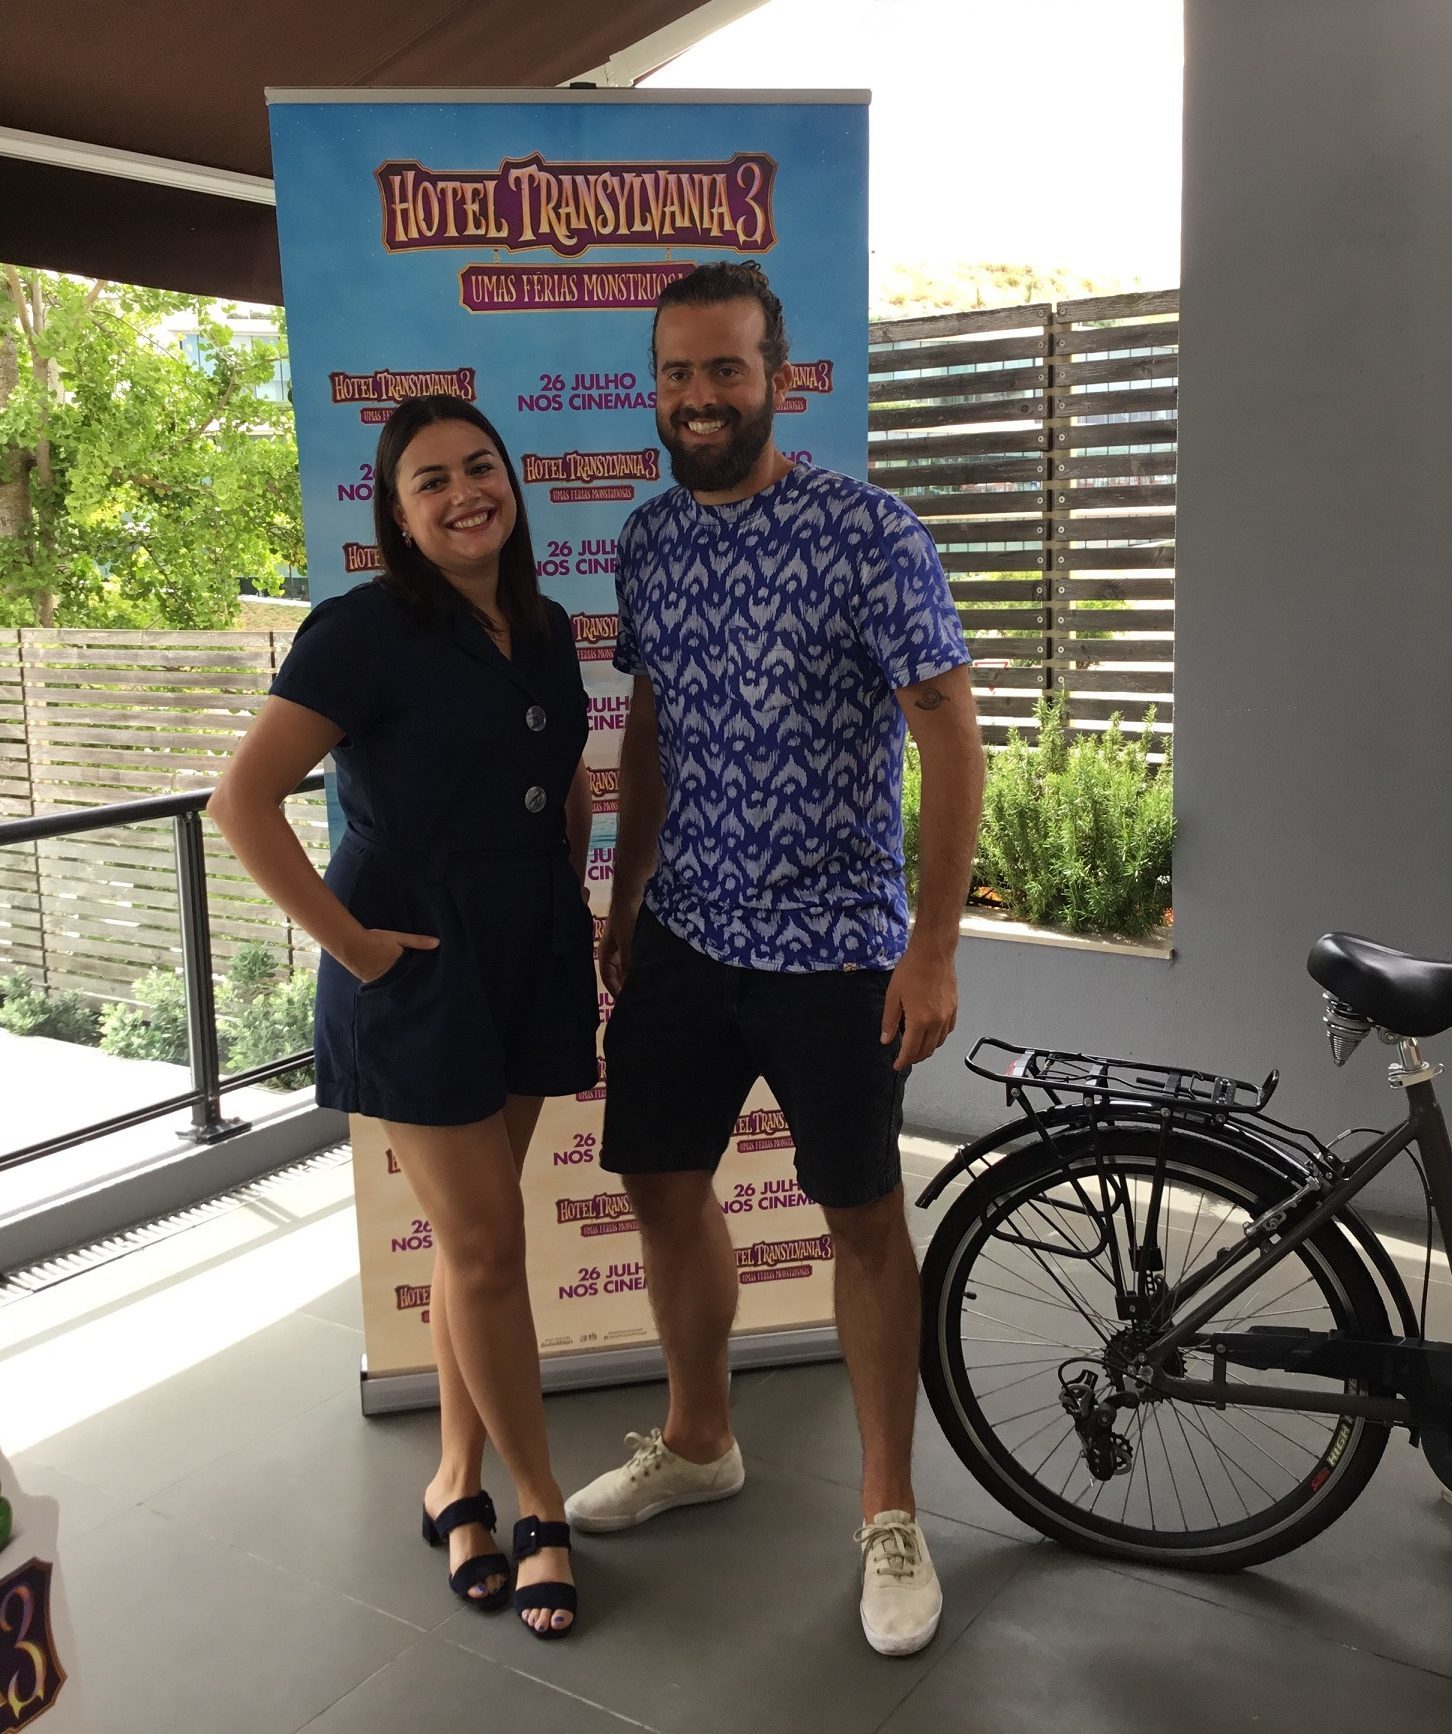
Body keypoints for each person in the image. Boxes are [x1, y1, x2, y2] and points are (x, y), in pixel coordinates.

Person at [564, 263, 985, 1656]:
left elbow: (950, 735)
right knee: (658, 1185)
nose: (698, 397)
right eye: (677, 373)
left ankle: (888, 1511)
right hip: (688, 931)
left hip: (838, 948)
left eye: (725, 369)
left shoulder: (869, 532)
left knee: (860, 1217)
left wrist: (932, 948)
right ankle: (700, 1440)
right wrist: (627, 896)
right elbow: (651, 725)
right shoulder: (647, 540)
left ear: (779, 380)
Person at [208, 394, 597, 1640]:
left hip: (529, 949)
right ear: (397, 511)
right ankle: (540, 1507)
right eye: (432, 480)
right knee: (487, 1247)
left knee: (471, 1247)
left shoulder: (545, 626)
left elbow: (565, 782)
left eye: (481, 468)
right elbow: (242, 801)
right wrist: (359, 951)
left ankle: (453, 1485)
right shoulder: (359, 631)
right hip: (419, 965)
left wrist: (579, 900)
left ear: (511, 484)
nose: (464, 492)